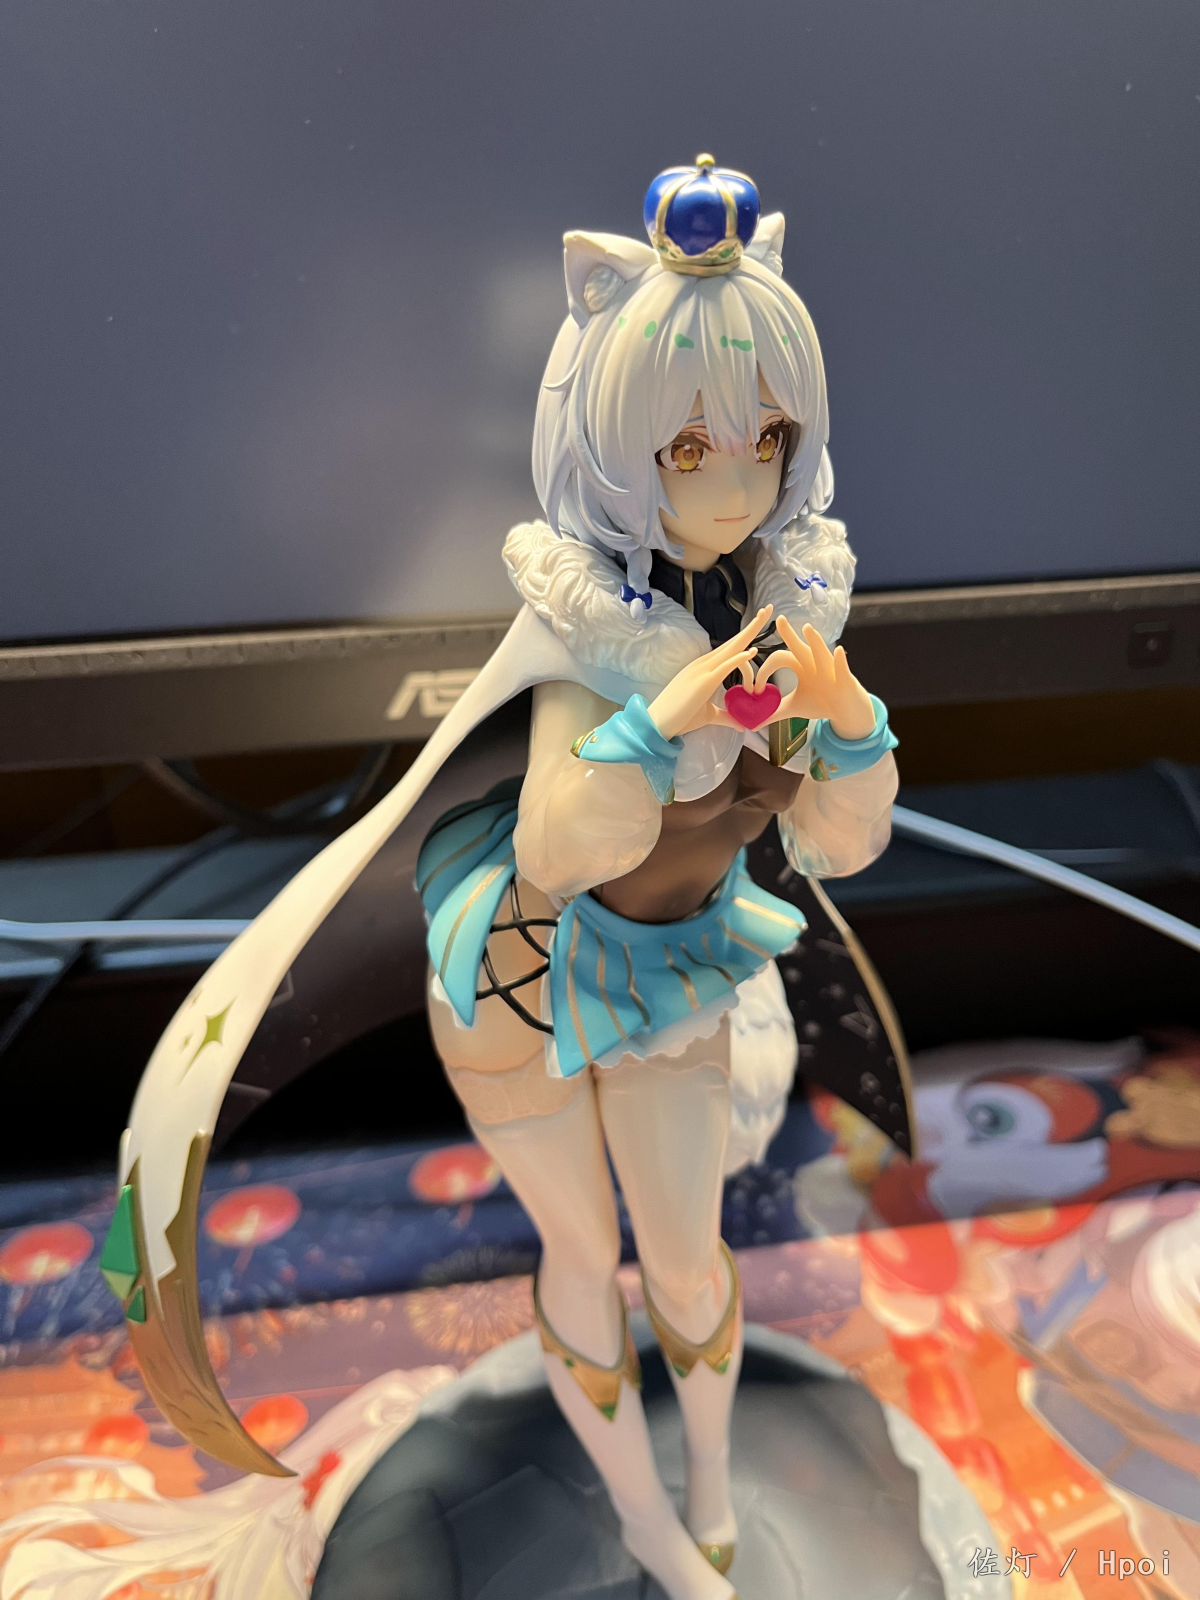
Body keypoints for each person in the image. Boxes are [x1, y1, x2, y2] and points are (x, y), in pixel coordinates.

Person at [104, 157, 900, 1600]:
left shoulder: (788, 616)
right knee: (583, 1253)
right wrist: (663, 712)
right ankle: (645, 1525)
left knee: (690, 1258)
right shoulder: (592, 629)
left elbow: (844, 844)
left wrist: (844, 718)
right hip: (518, 984)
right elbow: (560, 843)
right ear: (615, 445)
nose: (736, 483)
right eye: (686, 449)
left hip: (673, 971)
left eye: (768, 437)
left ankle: (708, 1497)